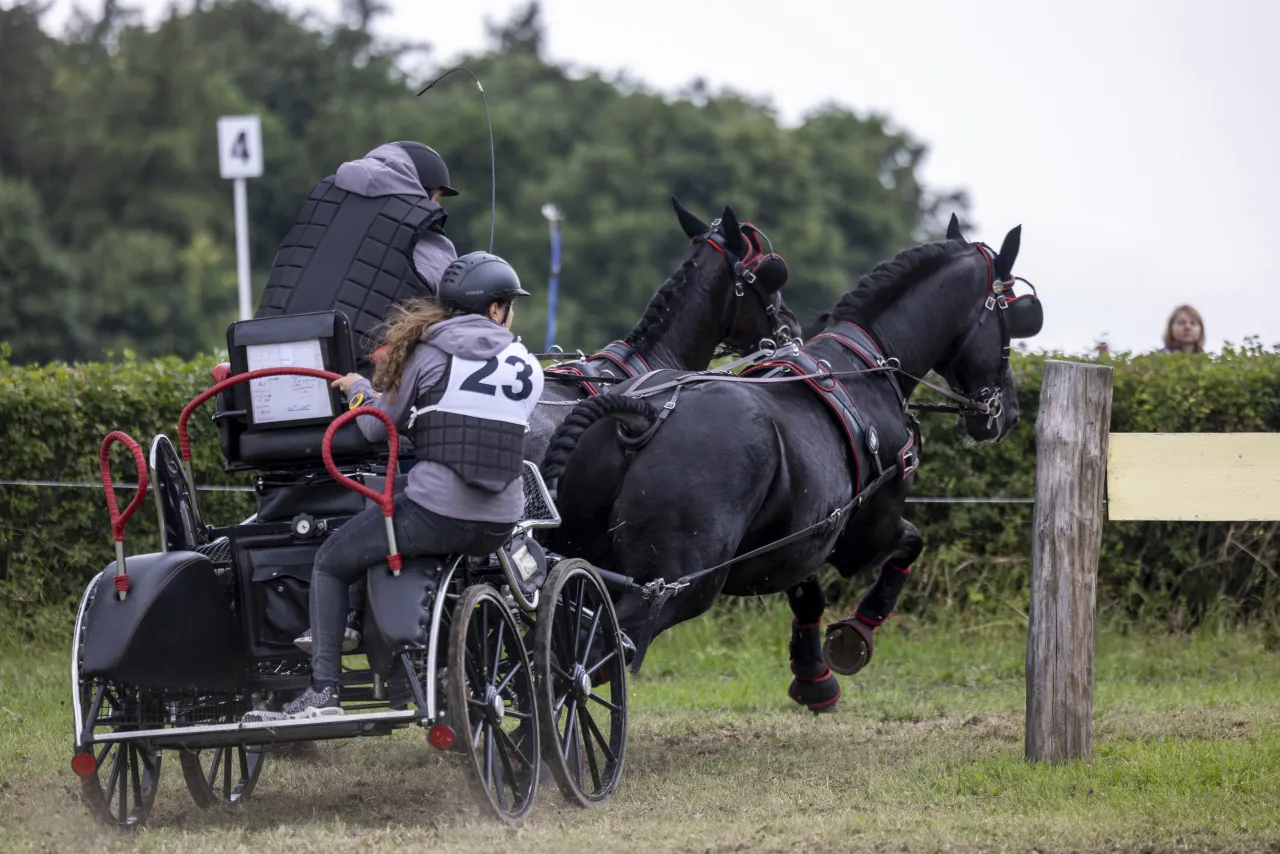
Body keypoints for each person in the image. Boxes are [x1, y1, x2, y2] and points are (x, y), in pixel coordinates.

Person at [248, 252, 544, 720]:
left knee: (330, 560)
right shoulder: (528, 366)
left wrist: (359, 390)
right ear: (494, 309)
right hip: (499, 524)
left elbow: (374, 428)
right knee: (396, 493)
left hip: (437, 519)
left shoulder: (428, 354)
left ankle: (323, 691)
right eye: (510, 306)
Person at [254, 141, 461, 374]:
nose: (436, 206)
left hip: (268, 364)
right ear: (423, 190)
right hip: (361, 380)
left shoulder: (320, 205)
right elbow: (455, 302)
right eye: (437, 199)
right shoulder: (421, 229)